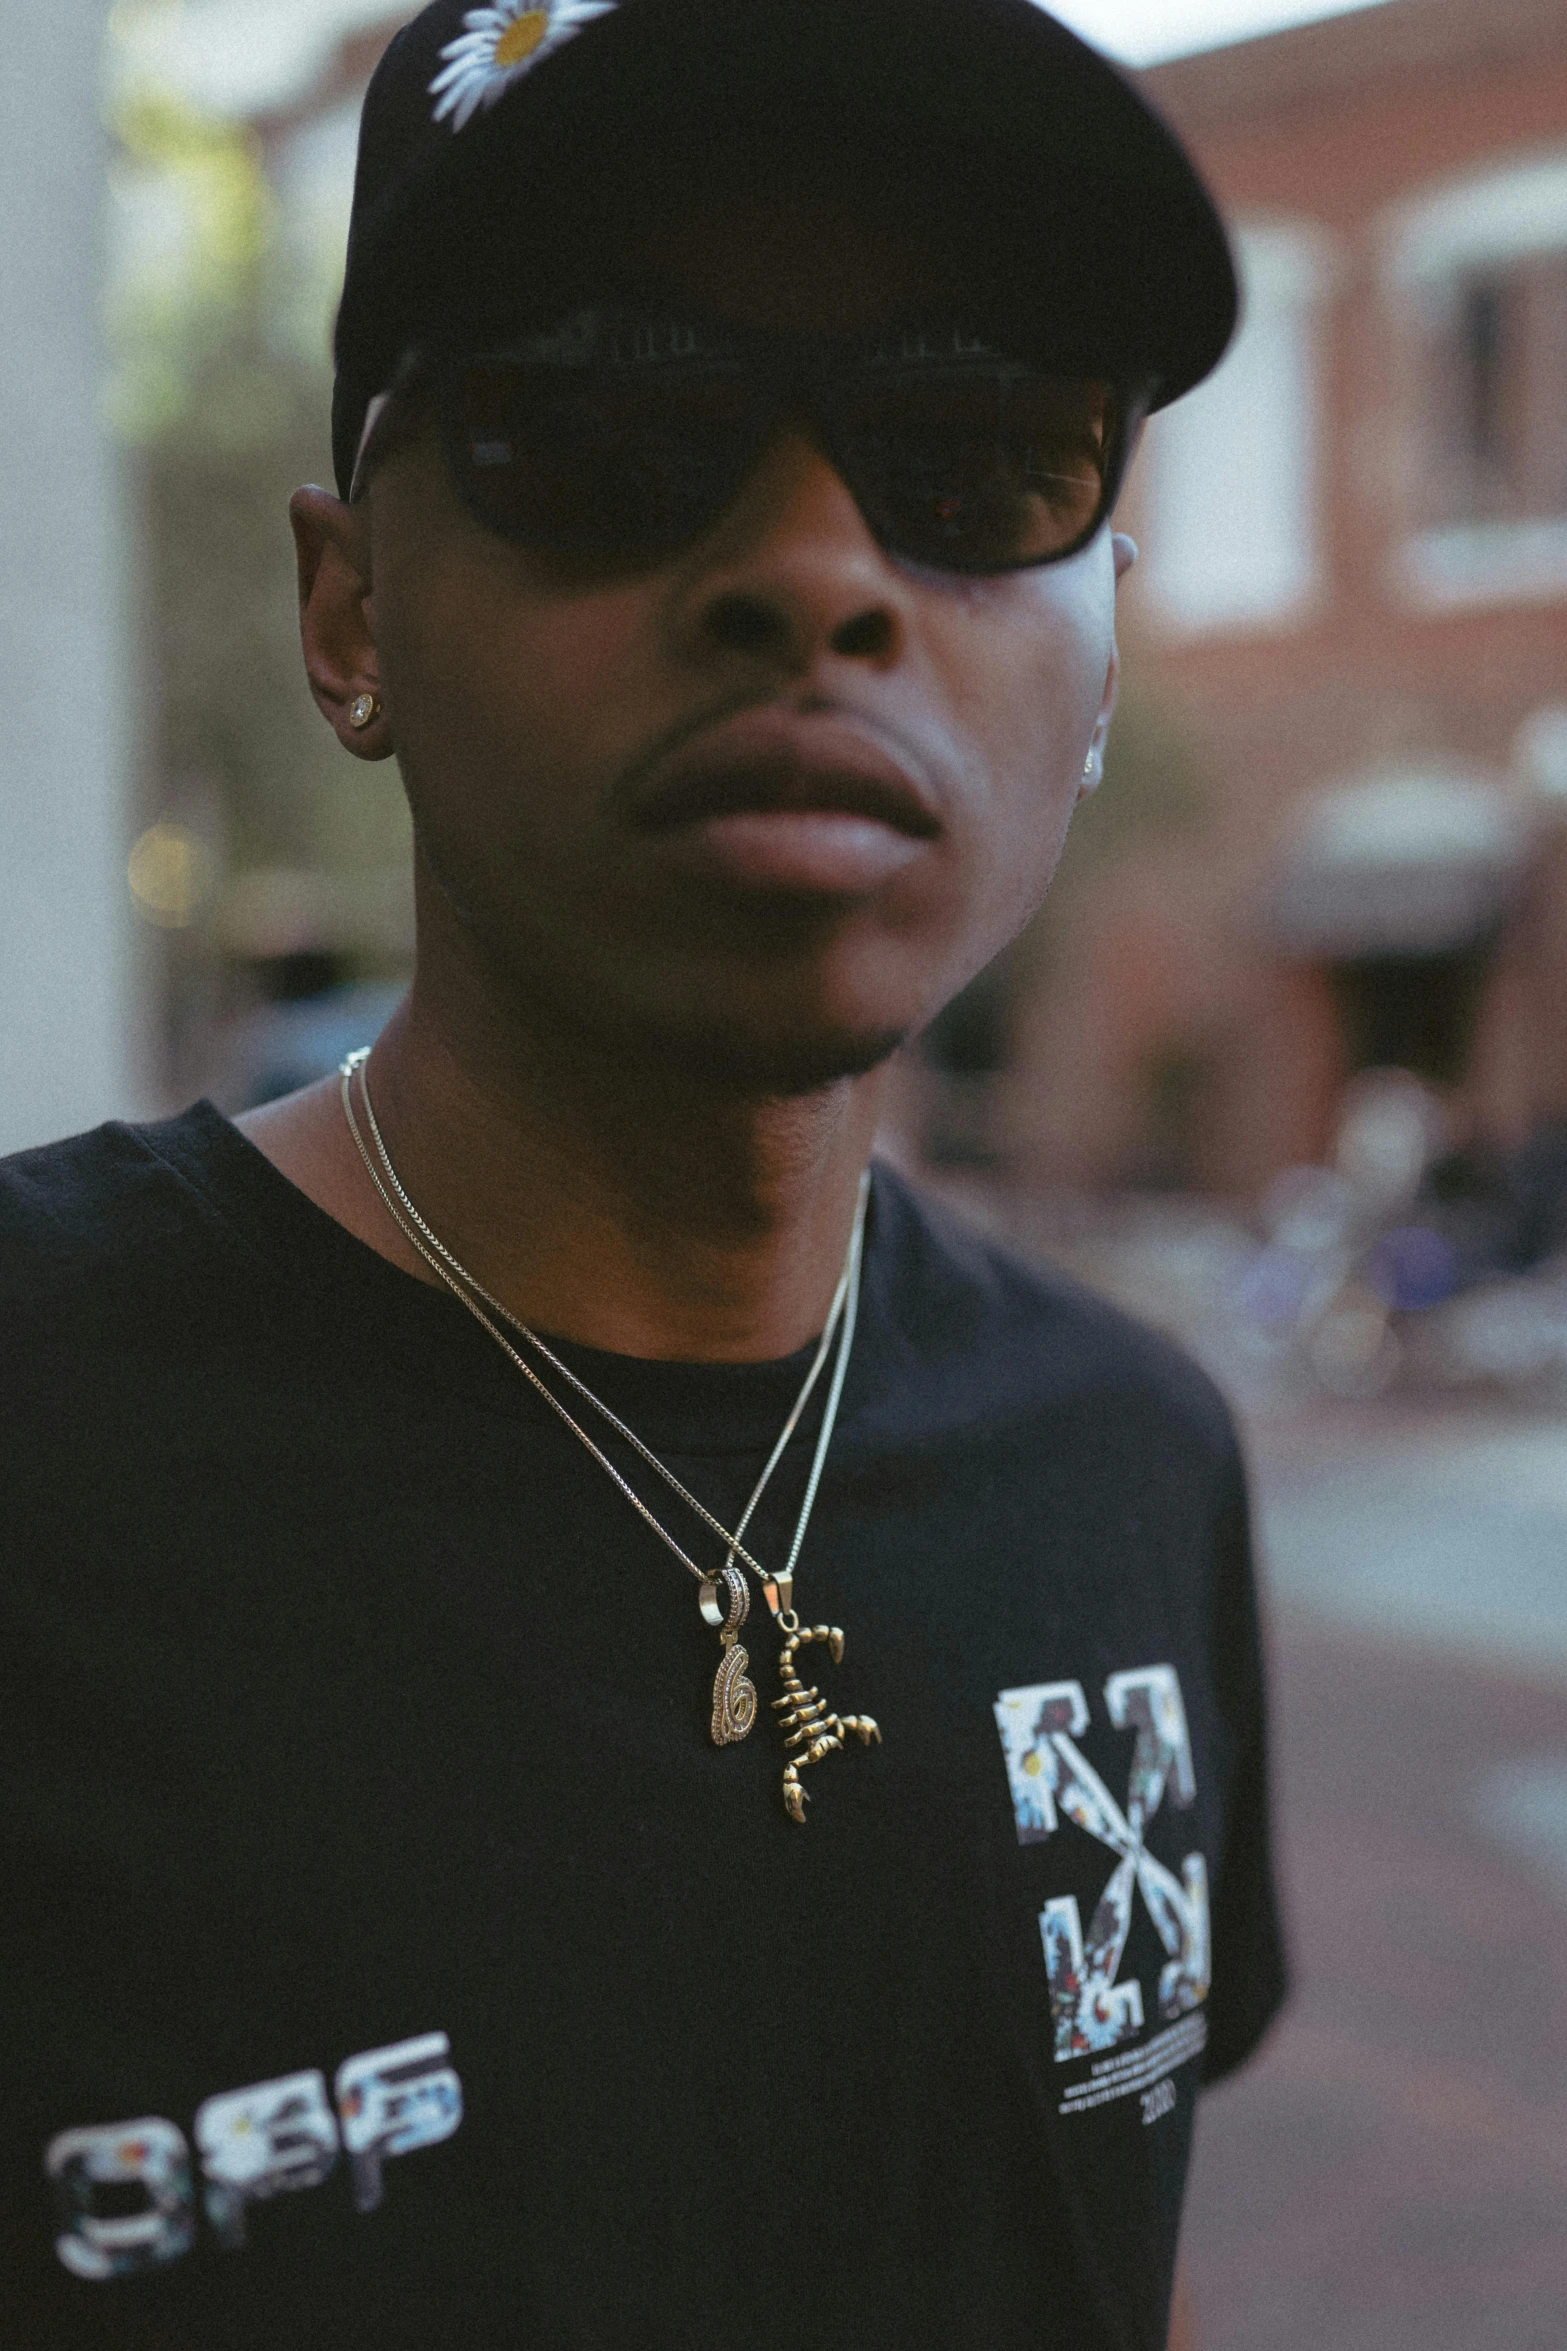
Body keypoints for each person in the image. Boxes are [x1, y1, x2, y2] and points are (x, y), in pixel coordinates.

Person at [0, 2, 1285, 2344]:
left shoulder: (1134, 1463)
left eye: (979, 451)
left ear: (1102, 651)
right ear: (349, 610)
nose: (811, 567)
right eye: (605, 425)